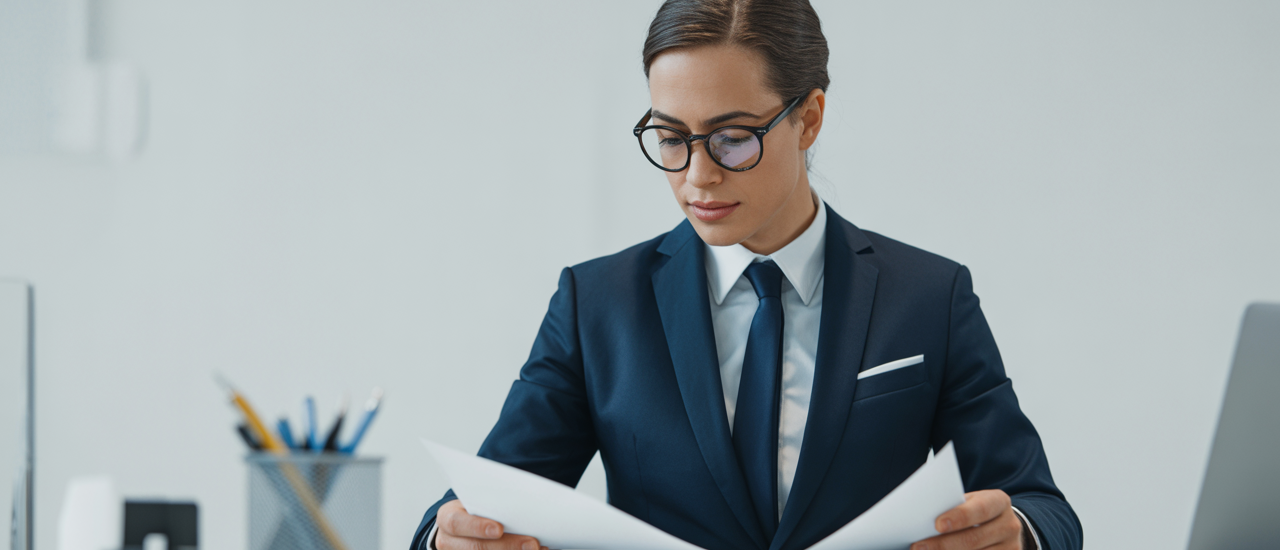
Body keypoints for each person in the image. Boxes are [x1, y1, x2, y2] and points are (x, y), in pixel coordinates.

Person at [412, 1, 1083, 549]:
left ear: (809, 118)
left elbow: (1041, 509)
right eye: (671, 138)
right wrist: (452, 541)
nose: (697, 175)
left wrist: (1015, 536)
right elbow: (469, 508)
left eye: (733, 138)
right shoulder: (597, 306)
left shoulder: (930, 297)